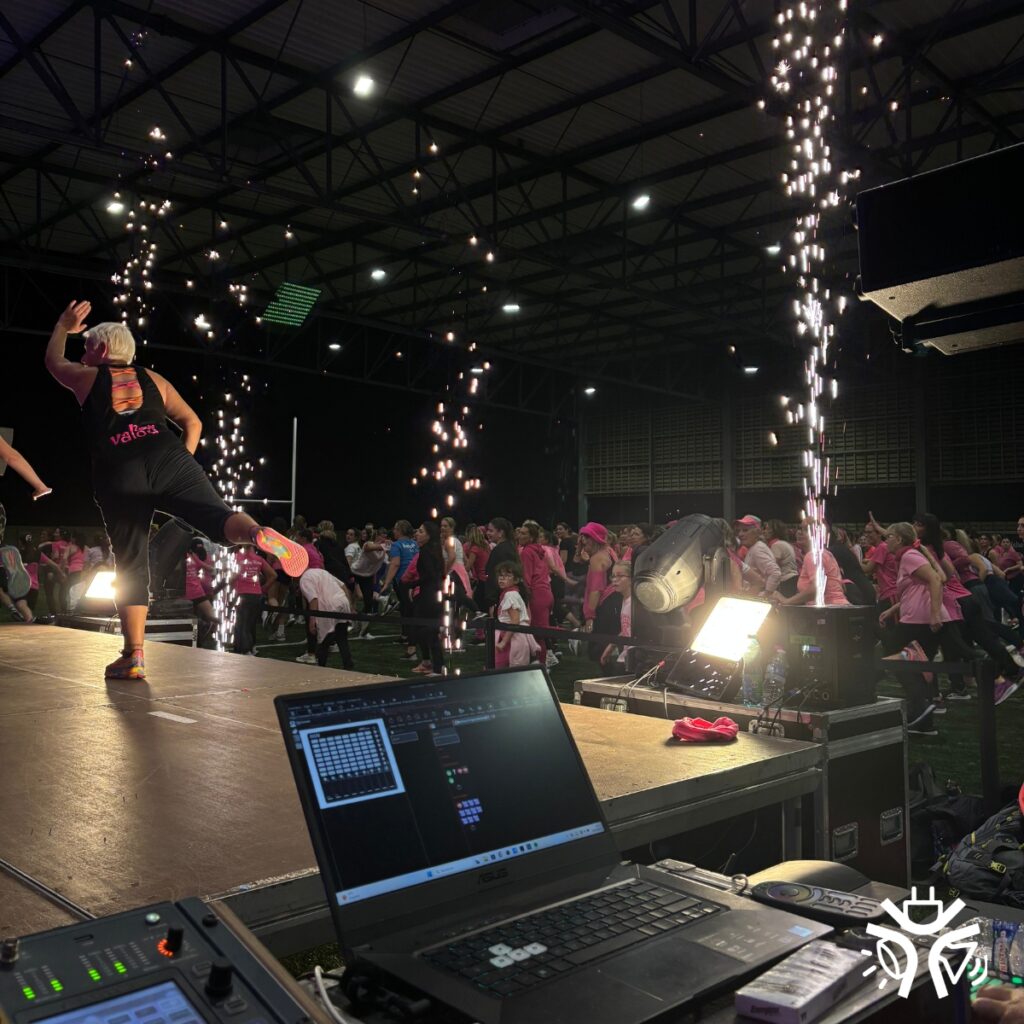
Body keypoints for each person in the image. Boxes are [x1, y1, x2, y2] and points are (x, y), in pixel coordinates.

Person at [44, 300, 308, 680]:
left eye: (86, 348)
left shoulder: (88, 378)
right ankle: (256, 533)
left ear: (101, 350)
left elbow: (53, 362)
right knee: (218, 518)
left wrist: (61, 326)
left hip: (119, 472)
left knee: (131, 562)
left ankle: (134, 655)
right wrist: (175, 471)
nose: (83, 354)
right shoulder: (154, 378)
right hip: (171, 459)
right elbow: (193, 422)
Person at [772, 521, 849, 607]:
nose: (799, 532)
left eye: (806, 530)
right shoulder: (827, 554)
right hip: (839, 607)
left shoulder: (812, 555)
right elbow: (843, 588)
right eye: (800, 528)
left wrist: (786, 601)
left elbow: (817, 588)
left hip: (826, 612)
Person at [299, 567, 355, 669]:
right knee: (342, 637)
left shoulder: (304, 579)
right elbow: (343, 585)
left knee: (324, 639)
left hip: (328, 607)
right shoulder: (322, 571)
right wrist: (350, 605)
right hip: (342, 601)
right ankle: (348, 664)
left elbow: (313, 599)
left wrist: (312, 621)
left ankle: (321, 665)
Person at [410, 520, 445, 675]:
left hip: (428, 596)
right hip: (434, 594)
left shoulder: (426, 552)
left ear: (429, 536)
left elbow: (429, 575)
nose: (417, 533)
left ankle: (436, 667)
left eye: (421, 531)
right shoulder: (435, 550)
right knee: (425, 630)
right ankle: (429, 663)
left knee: (427, 630)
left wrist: (412, 584)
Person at [518, 520, 555, 665]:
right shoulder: (539, 551)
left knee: (536, 635)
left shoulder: (527, 552)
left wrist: (524, 599)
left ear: (531, 537)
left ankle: (541, 665)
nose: (520, 535)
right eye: (520, 532)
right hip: (546, 593)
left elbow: (526, 578)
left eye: (523, 533)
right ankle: (542, 662)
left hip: (536, 595)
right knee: (539, 634)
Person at [493, 561, 540, 668]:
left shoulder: (510, 596)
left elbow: (515, 621)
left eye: (507, 576)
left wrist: (504, 642)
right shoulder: (511, 594)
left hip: (513, 639)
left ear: (516, 580)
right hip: (516, 637)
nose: (502, 578)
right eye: (500, 575)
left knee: (504, 669)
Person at [233, 544, 275, 655]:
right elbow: (273, 575)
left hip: (241, 593)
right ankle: (250, 648)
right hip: (256, 594)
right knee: (250, 623)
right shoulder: (258, 559)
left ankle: (245, 650)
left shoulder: (237, 557)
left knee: (241, 624)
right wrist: (263, 588)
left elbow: (233, 576)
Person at [578, 521, 615, 628]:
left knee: (598, 642)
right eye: (583, 536)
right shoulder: (608, 551)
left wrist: (589, 617)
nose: (583, 540)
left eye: (587, 536)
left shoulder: (597, 558)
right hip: (612, 604)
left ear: (595, 539)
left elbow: (596, 589)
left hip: (603, 608)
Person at [735, 515, 782, 597]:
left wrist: (766, 595)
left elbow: (775, 573)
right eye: (739, 531)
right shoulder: (754, 547)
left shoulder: (758, 548)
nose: (740, 534)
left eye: (745, 530)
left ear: (757, 532)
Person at [184, 538, 217, 646]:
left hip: (198, 591)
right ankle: (197, 640)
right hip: (185, 595)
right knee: (191, 622)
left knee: (213, 617)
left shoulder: (193, 556)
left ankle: (203, 634)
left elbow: (206, 567)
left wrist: (214, 570)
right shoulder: (178, 556)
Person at [600, 561, 633, 668]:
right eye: (613, 576)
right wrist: (611, 647)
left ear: (631, 578)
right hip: (626, 657)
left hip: (634, 659)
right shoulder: (624, 600)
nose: (614, 579)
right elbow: (626, 628)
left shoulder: (635, 604)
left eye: (620, 576)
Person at [482, 518, 518, 611]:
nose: (488, 533)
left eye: (491, 531)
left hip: (500, 599)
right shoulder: (510, 547)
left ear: (501, 533)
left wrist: (492, 601)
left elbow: (496, 576)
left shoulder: (499, 550)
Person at [763, 519, 799, 597]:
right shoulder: (783, 543)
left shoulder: (776, 545)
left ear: (774, 531)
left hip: (786, 581)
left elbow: (773, 567)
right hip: (792, 580)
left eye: (767, 529)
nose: (764, 531)